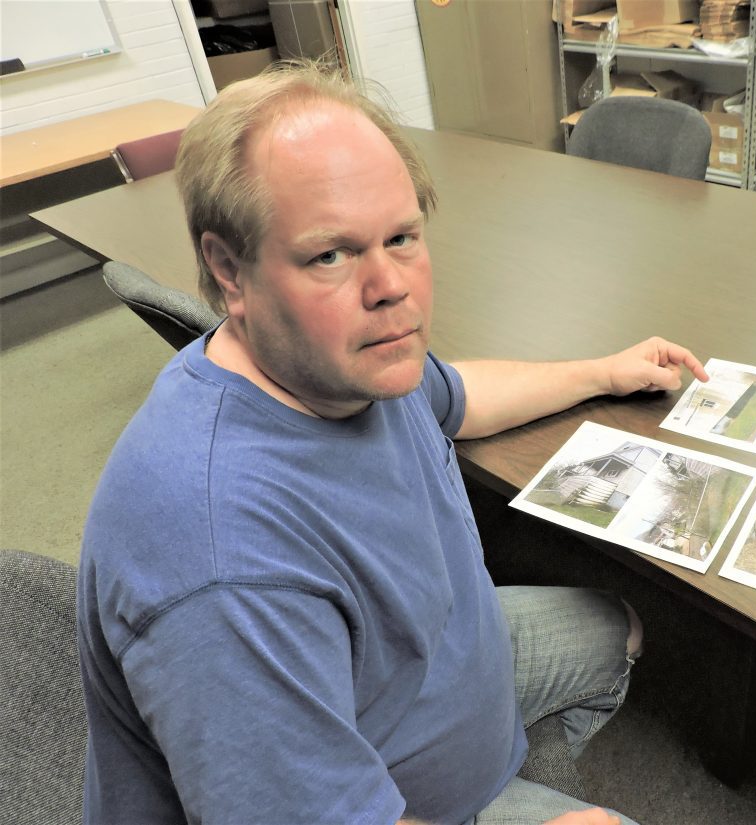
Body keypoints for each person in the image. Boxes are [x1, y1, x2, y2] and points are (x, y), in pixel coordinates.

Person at [77, 60, 709, 825]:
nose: (391, 287)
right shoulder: (223, 561)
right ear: (229, 270)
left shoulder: (344, 361)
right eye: (330, 254)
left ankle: (495, 767)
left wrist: (603, 371)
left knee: (618, 626)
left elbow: (458, 393)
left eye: (402, 236)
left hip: (400, 674)